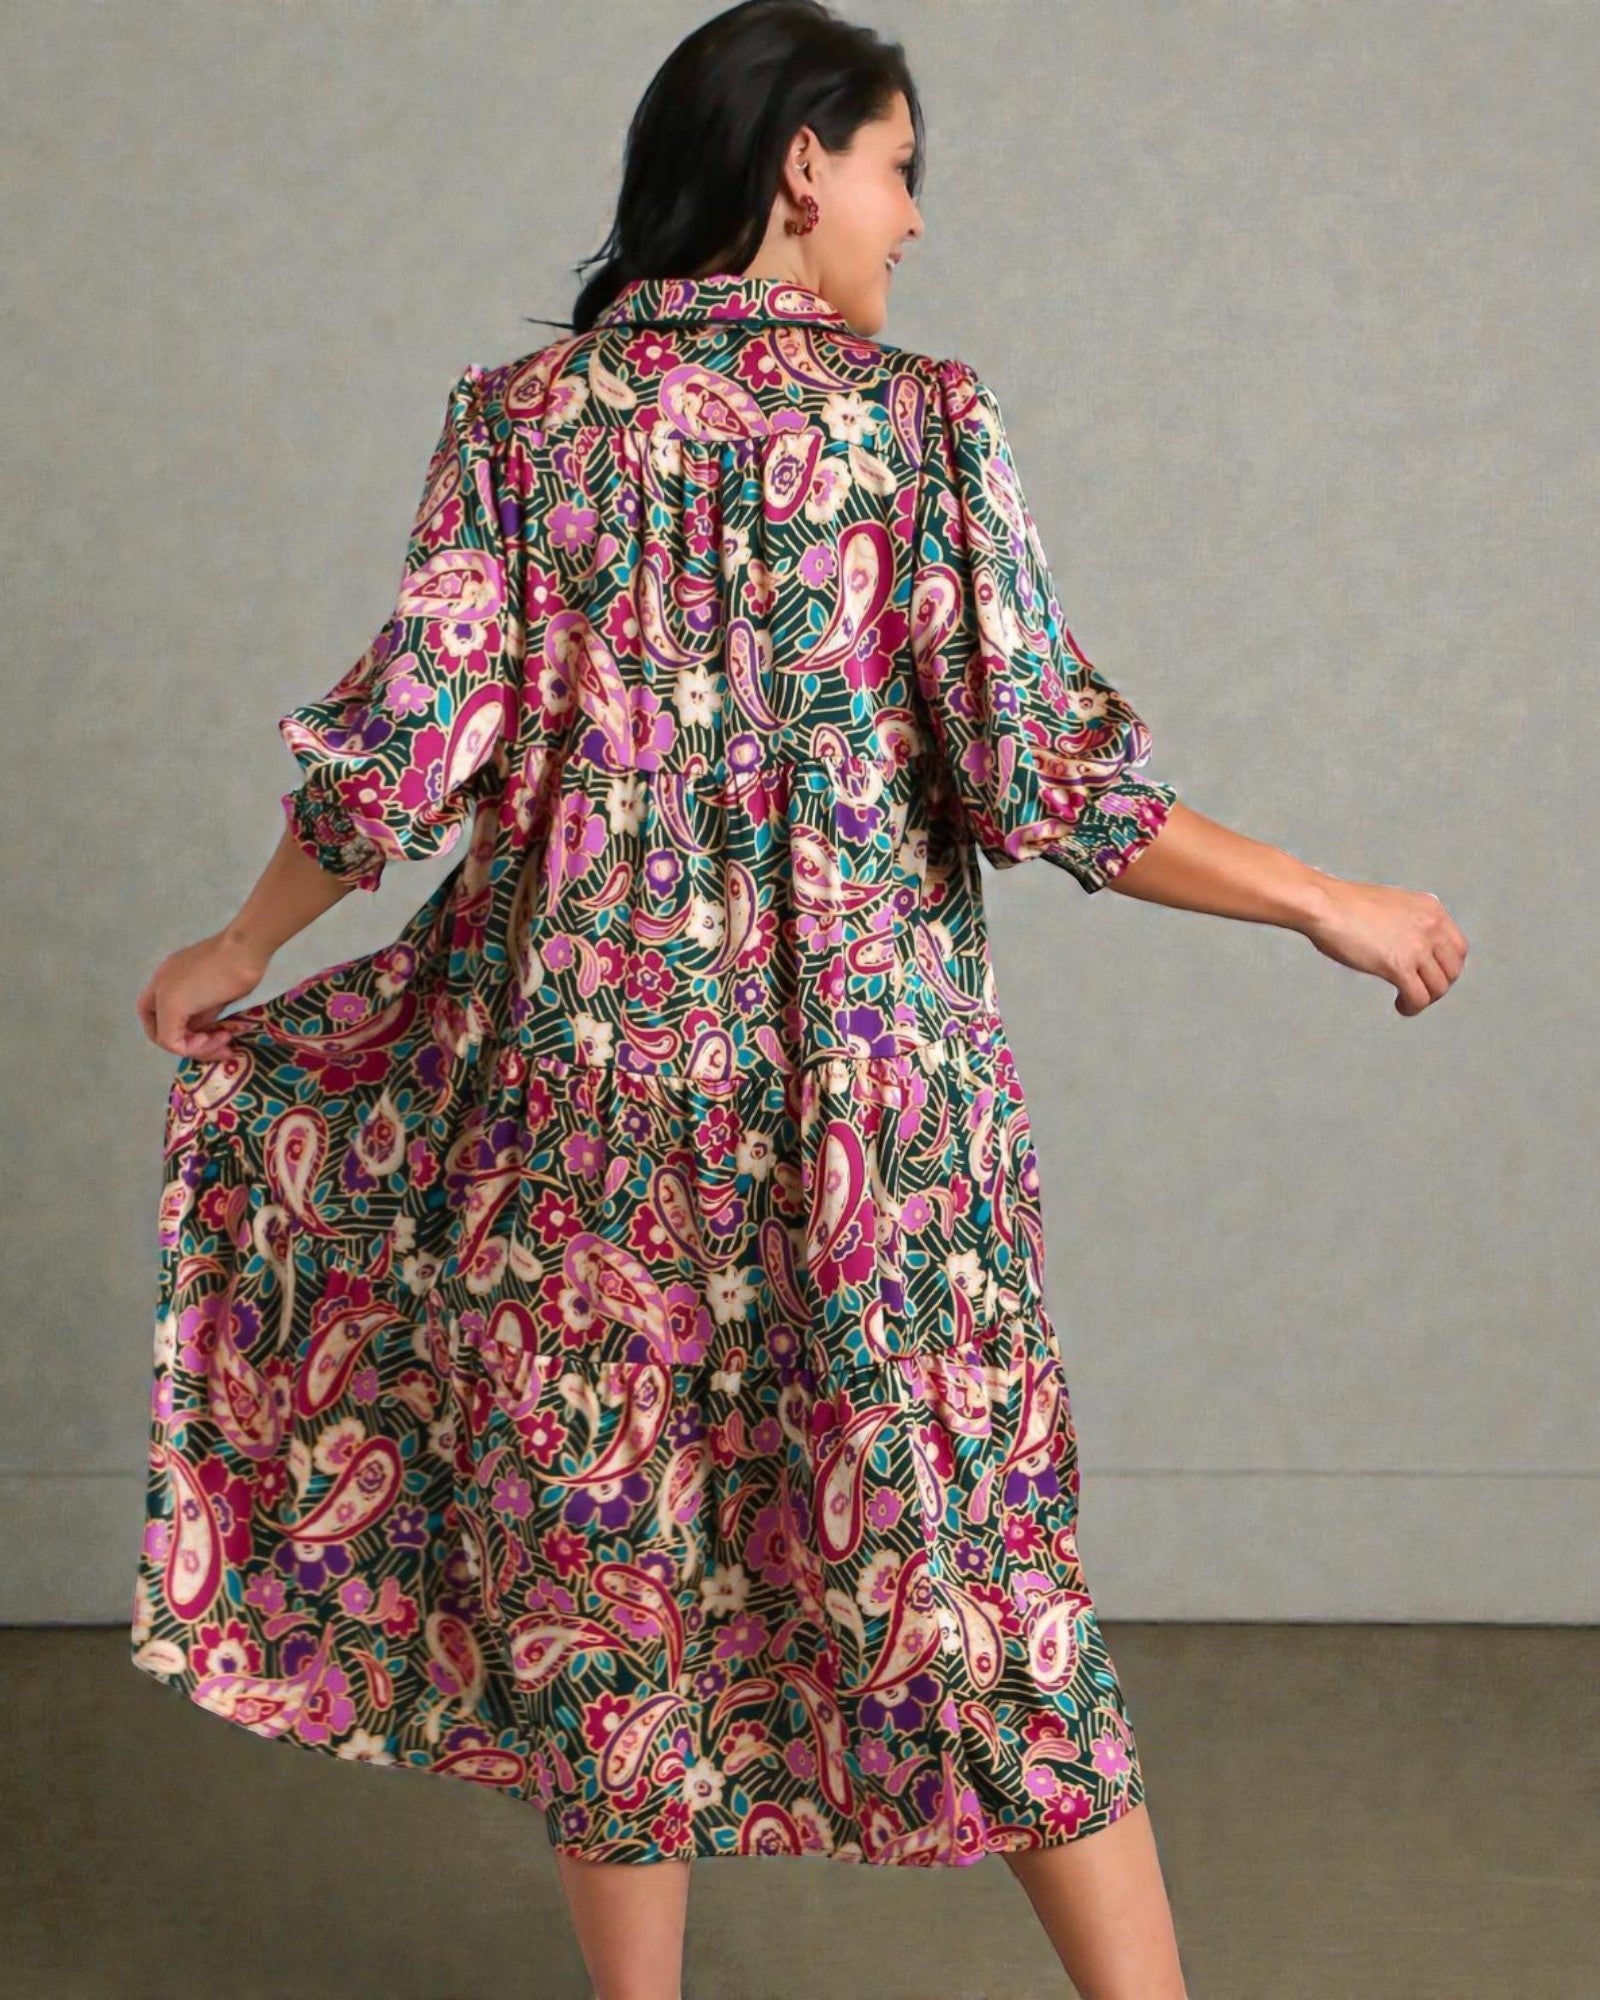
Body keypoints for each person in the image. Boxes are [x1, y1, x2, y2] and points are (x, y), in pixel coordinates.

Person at [131, 3, 1466, 1995]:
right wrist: (1321, 900)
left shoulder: (523, 428)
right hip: (876, 1141)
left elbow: (404, 753)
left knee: (609, 1588)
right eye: (900, 166)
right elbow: (1041, 777)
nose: (914, 218)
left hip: (583, 1129)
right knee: (977, 1573)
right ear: (800, 169)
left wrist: (243, 943)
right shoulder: (918, 426)